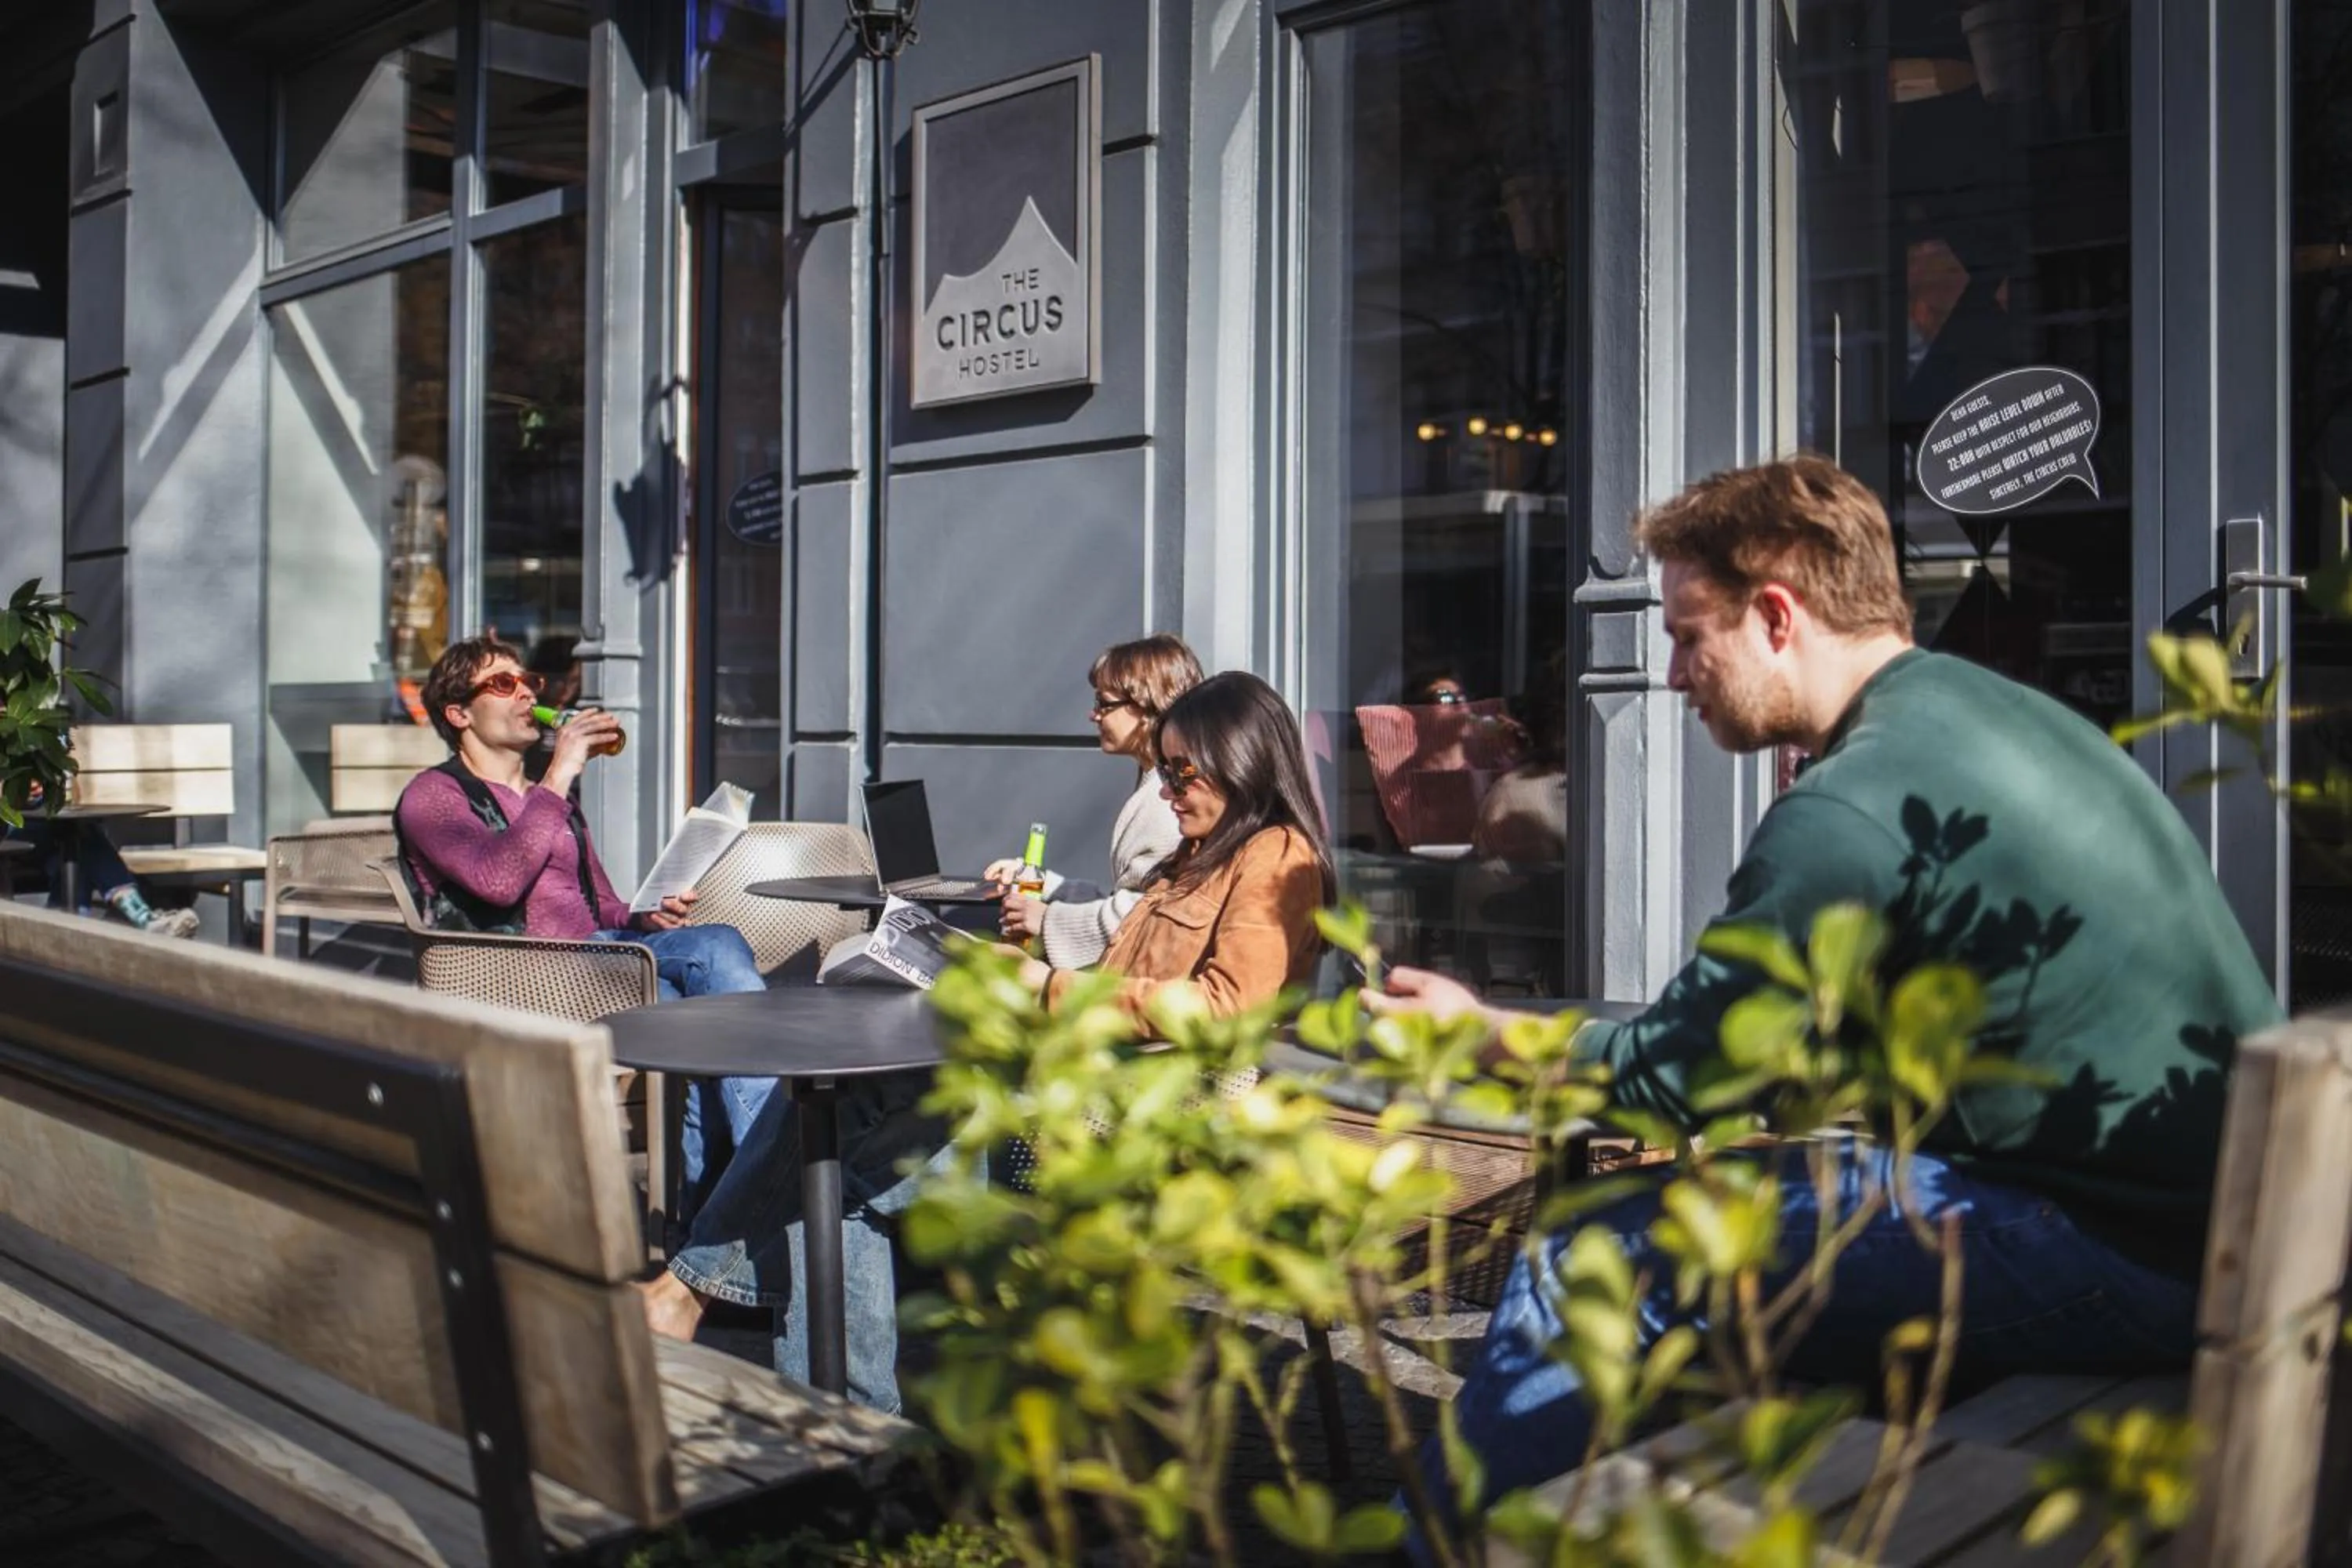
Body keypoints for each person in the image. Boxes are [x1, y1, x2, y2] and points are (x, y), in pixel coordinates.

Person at [1370, 456, 2282, 1530]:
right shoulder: (1994, 718)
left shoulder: (1853, 801)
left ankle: (1445, 1547)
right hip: (2212, 1232)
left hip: (2121, 1254)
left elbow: (1677, 1082)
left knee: (1593, 1252)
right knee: (1738, 1244)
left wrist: (1489, 1037)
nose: (1674, 675)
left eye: (1687, 636)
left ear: (1774, 615)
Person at [392, 637, 771, 1211]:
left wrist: (644, 916)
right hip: (522, 975)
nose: (526, 693)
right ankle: (759, 1184)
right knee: (709, 1000)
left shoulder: (552, 799)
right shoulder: (434, 795)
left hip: (601, 957)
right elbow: (497, 881)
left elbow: (603, 907)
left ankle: (714, 1221)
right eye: (503, 684)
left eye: (528, 682)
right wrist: (561, 772)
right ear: (459, 713)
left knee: (715, 969)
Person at [1003, 670, 1334, 1025]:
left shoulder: (1277, 855)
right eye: (1165, 773)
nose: (1166, 791)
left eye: (1182, 773)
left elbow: (1230, 1004)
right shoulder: (1199, 853)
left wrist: (1051, 986)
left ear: (1239, 761)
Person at [986, 633, 1204, 969]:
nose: (1094, 715)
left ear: (1146, 704)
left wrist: (1046, 919)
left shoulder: (1171, 801)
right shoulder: (1160, 780)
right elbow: (1128, 896)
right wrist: (1047, 885)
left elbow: (1146, 913)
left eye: (1104, 703)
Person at [2, 785, 201, 938]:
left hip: (44, 833)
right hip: (9, 830)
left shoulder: (39, 747)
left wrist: (49, 786)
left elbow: (71, 793)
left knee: (77, 845)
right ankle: (141, 916)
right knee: (81, 837)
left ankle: (65, 934)